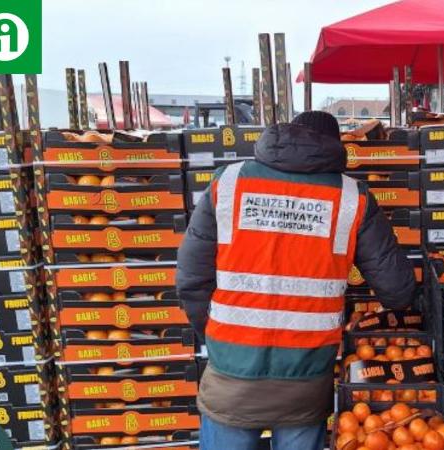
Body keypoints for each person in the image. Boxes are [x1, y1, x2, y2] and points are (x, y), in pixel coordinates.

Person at [177, 111, 416, 450]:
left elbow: (190, 278)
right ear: (335, 146)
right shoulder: (351, 197)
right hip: (306, 375)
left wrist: (220, 338)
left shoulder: (228, 183)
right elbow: (398, 290)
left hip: (231, 372)